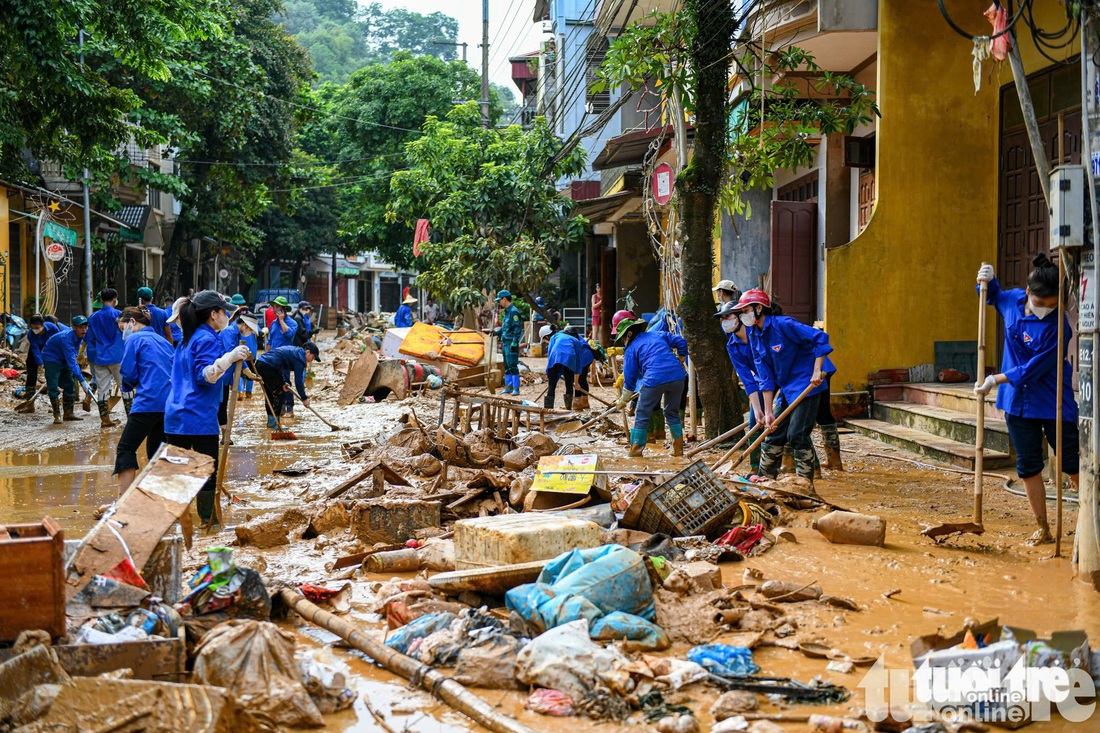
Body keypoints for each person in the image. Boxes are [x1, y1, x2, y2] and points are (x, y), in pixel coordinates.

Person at [975, 255, 1078, 545]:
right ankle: (1043, 528)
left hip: (1053, 400)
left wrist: (996, 379)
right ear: (1029, 293)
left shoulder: (1060, 327)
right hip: (1017, 403)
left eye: (1053, 305)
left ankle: (1090, 524)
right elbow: (992, 296)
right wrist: (987, 280)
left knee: (1072, 464)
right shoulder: (1013, 301)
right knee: (1029, 465)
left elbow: (1034, 369)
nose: (1048, 310)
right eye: (1042, 303)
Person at [731, 289, 836, 488]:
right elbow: (765, 376)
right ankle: (765, 481)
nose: (742, 315)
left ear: (759, 308)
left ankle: (805, 485)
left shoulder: (784, 325)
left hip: (808, 382)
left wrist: (816, 370)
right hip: (787, 385)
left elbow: (820, 338)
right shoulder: (755, 334)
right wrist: (769, 412)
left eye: (745, 310)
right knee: (774, 432)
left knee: (797, 434)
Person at [164, 290, 250, 522]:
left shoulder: (186, 339)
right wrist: (229, 358)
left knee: (177, 474)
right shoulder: (207, 338)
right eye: (224, 312)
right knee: (206, 474)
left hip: (175, 416)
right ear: (214, 314)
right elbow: (205, 375)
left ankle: (175, 524)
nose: (226, 317)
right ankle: (208, 522)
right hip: (198, 416)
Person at [115, 306, 173, 493]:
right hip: (169, 404)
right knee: (157, 453)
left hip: (147, 402)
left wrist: (126, 387)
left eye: (122, 328)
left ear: (132, 322)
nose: (123, 333)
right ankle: (158, 498)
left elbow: (128, 372)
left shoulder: (134, 338)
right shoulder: (162, 340)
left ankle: (122, 502)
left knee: (126, 449)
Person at [614, 315, 689, 457]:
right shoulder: (658, 334)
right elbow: (681, 341)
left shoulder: (631, 349)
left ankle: (635, 452)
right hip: (678, 377)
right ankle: (678, 451)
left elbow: (630, 376)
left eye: (623, 338)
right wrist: (681, 357)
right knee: (672, 413)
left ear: (629, 334)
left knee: (642, 413)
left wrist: (624, 399)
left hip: (654, 379)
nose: (623, 341)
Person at [715, 300, 764, 472]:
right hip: (760, 382)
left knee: (786, 422)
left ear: (739, 316)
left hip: (780, 378)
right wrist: (757, 408)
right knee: (754, 423)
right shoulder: (732, 346)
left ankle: (794, 466)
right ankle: (755, 469)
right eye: (722, 318)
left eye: (727, 316)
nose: (724, 321)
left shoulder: (758, 332)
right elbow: (747, 379)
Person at [41, 315, 93, 424]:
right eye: (81, 327)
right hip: (52, 358)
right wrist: (82, 380)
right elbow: (72, 362)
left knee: (69, 384)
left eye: (85, 327)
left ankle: (68, 413)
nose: (84, 329)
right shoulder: (66, 339)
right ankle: (57, 415)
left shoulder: (83, 335)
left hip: (65, 358)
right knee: (53, 385)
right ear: (74, 327)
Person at [86, 288, 126, 426]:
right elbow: (126, 336)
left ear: (101, 300)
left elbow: (89, 339)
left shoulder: (93, 317)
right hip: (117, 356)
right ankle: (131, 420)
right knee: (124, 387)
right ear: (115, 300)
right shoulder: (120, 315)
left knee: (102, 389)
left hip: (100, 357)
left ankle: (104, 419)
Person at [254, 343, 319, 427]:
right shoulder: (300, 359)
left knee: (270, 394)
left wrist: (283, 382)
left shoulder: (295, 352)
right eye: (313, 357)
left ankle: (271, 421)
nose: (311, 360)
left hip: (260, 363)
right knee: (279, 394)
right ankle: (274, 423)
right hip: (268, 366)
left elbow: (279, 365)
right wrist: (304, 398)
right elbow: (298, 382)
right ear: (308, 352)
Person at [218, 313, 258, 428]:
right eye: (250, 329)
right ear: (245, 325)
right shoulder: (229, 332)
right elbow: (234, 354)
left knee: (223, 405)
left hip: (225, 376)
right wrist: (247, 371)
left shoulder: (236, 334)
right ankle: (224, 436)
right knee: (220, 405)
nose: (249, 332)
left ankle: (225, 436)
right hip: (219, 374)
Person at [25, 314, 62, 408]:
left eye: (37, 327)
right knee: (31, 371)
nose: (35, 330)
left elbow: (59, 341)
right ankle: (30, 403)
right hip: (37, 349)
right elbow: (35, 349)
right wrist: (40, 363)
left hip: (51, 348)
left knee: (53, 373)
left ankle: (55, 400)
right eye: (32, 328)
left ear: (43, 325)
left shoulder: (53, 328)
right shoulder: (31, 334)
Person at [541, 325, 580, 409]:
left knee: (551, 386)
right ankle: (568, 409)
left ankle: (548, 410)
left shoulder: (555, 336)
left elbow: (550, 354)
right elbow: (578, 361)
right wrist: (576, 382)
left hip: (554, 359)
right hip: (569, 360)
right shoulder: (576, 341)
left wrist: (552, 376)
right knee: (569, 385)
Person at [495, 290, 523, 395]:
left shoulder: (514, 311)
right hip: (505, 342)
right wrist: (496, 333)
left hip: (511, 343)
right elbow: (504, 327)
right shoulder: (507, 312)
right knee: (506, 365)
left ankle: (516, 388)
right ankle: (508, 387)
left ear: (504, 299)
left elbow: (517, 329)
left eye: (500, 300)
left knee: (512, 365)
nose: (499, 303)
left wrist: (514, 343)